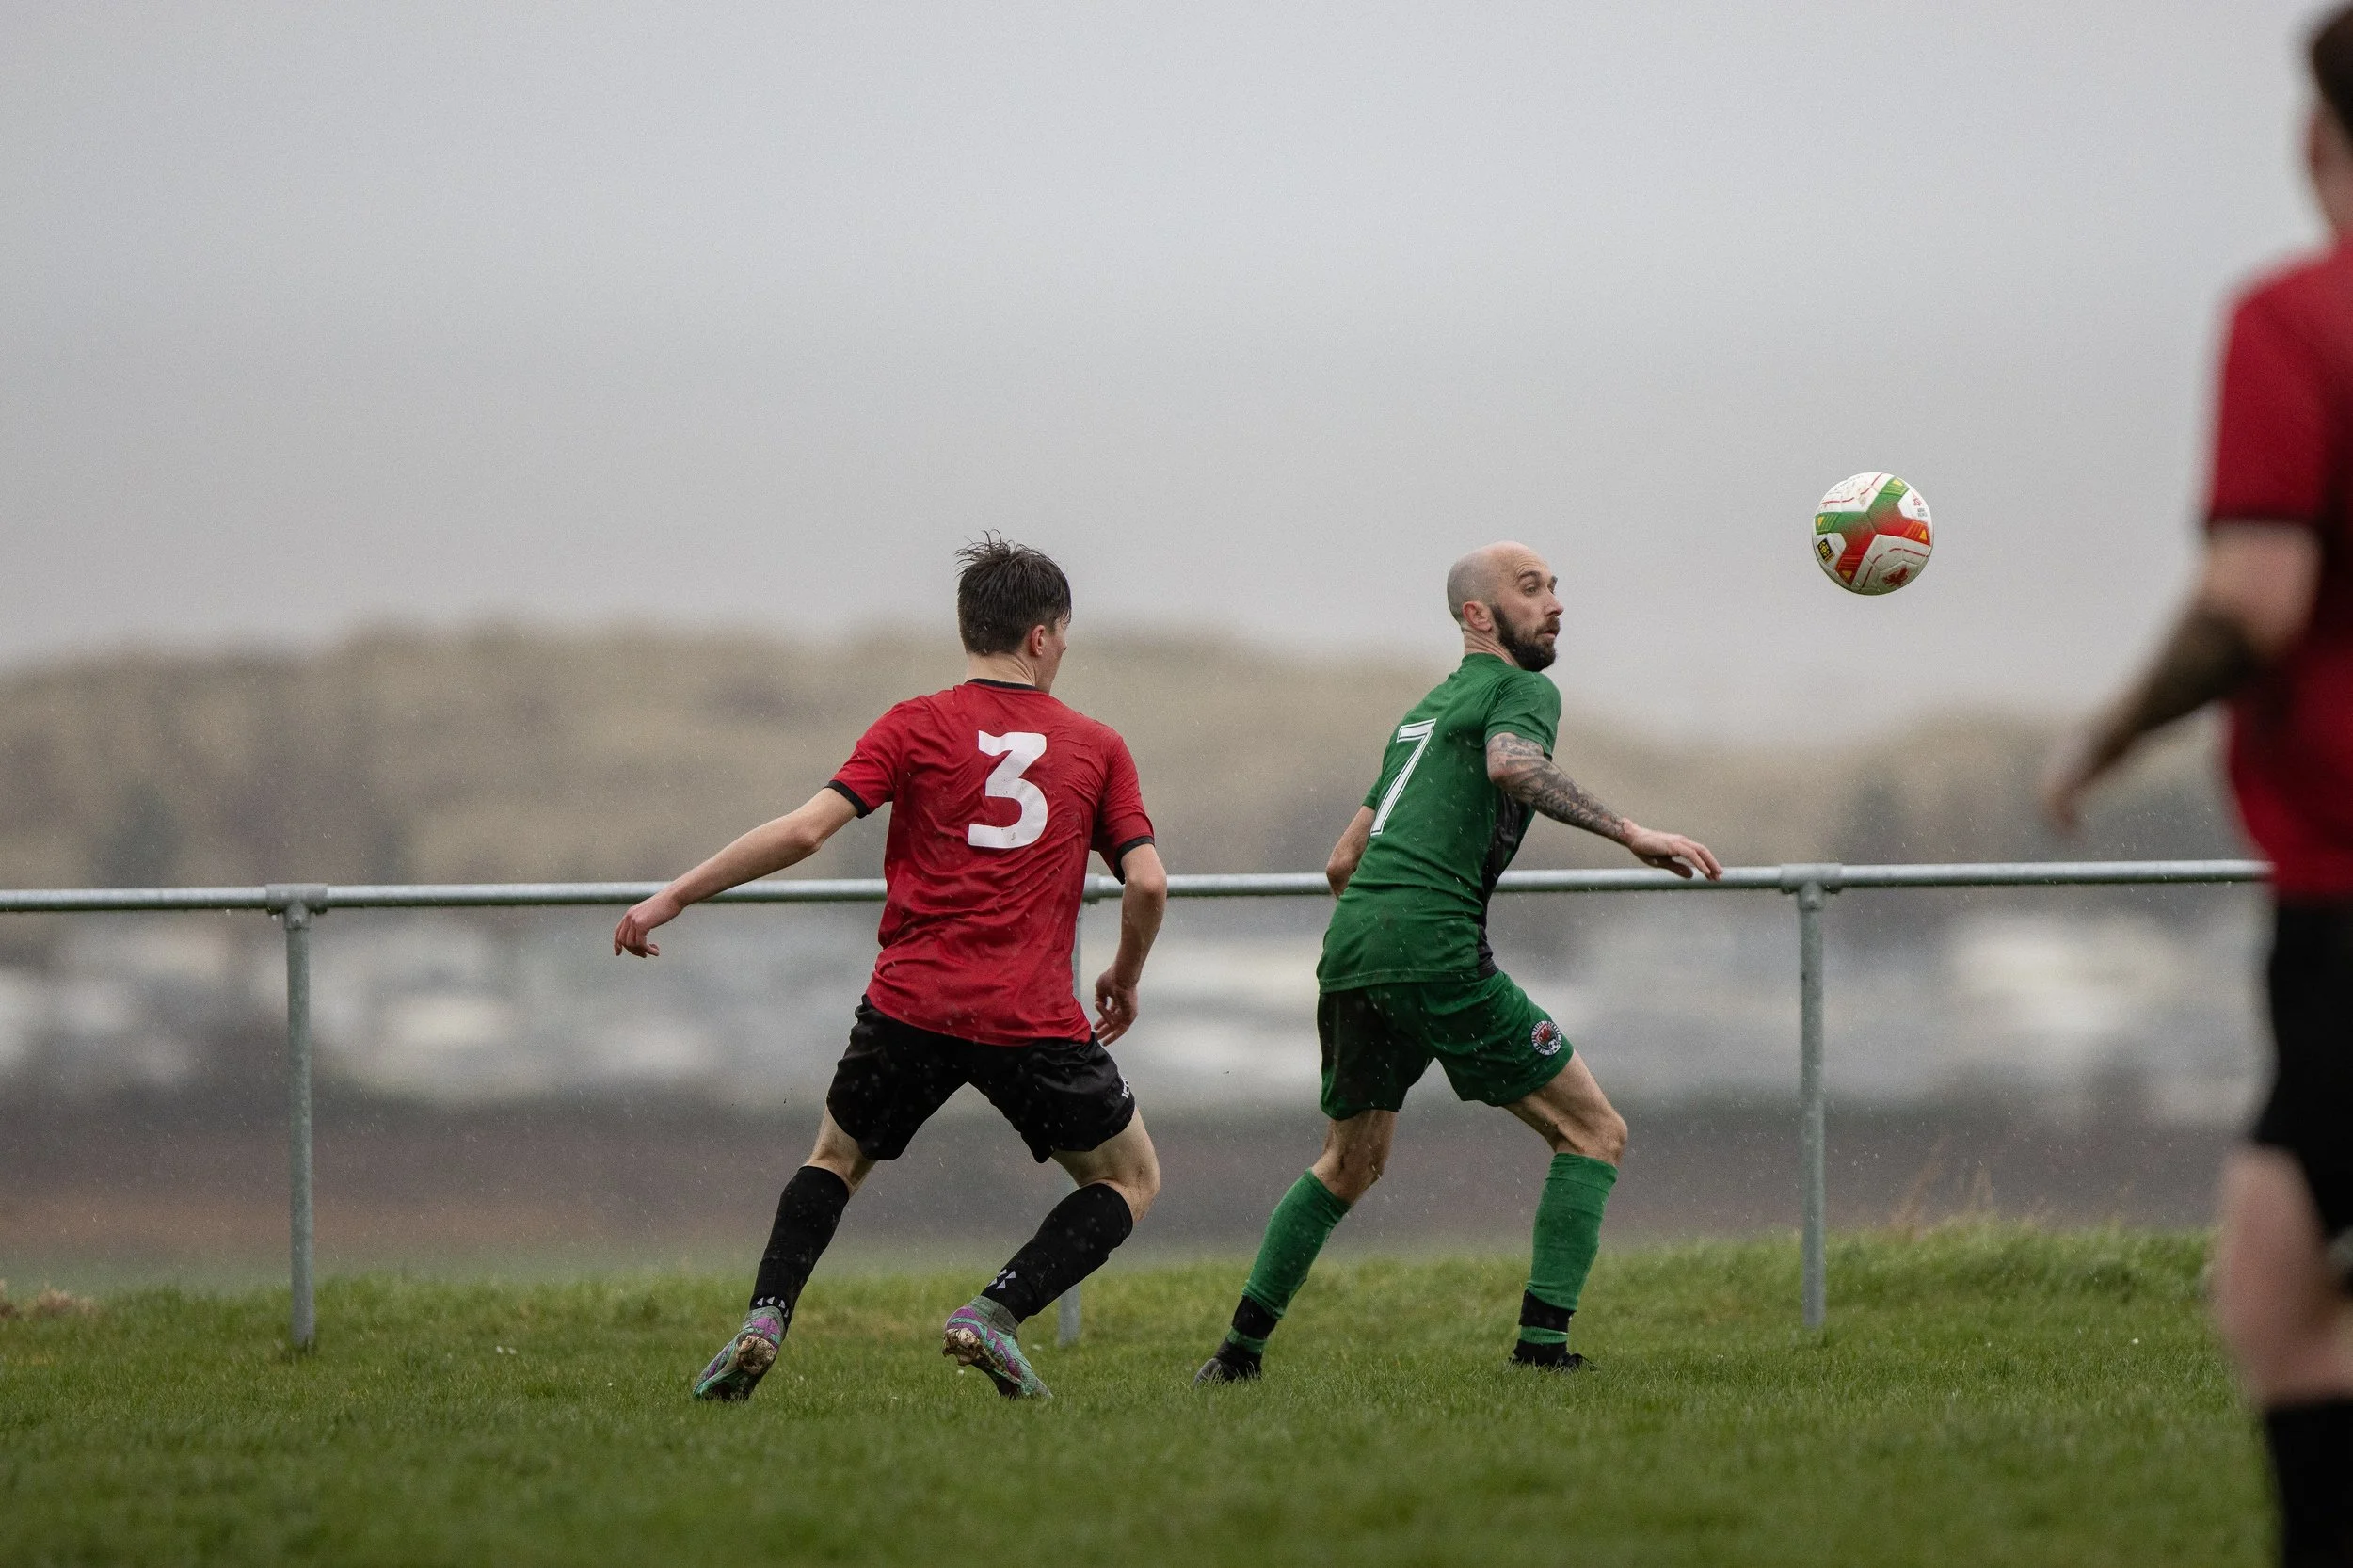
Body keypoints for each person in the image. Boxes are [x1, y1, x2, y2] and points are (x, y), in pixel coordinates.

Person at [2042, 12, 2353, 1560]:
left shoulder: (2300, 321)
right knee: (2276, 1262)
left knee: (2274, 1288)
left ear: (2318, 141)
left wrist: (2105, 738)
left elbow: (2255, 601)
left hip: (2350, 896)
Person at [615, 536, 1168, 1403]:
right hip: (1027, 1017)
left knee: (835, 1158)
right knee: (1129, 1179)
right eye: (1062, 635)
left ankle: (766, 1317)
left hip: (910, 1005)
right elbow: (1146, 881)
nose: (1063, 651)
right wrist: (1125, 975)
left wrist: (673, 897)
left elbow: (803, 832)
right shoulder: (1095, 746)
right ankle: (994, 1313)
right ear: (1038, 636)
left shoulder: (914, 724)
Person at [1194, 542, 1721, 1384]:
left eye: (1554, 587)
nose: (1554, 603)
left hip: (1355, 947)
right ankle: (1542, 1352)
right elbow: (1512, 766)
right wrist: (1634, 834)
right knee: (1595, 1133)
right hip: (1430, 945)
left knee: (1349, 1162)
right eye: (1531, 588)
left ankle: (1235, 1358)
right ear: (1478, 616)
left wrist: (1384, 933)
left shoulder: (1422, 713)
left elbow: (1341, 863)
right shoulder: (1523, 689)